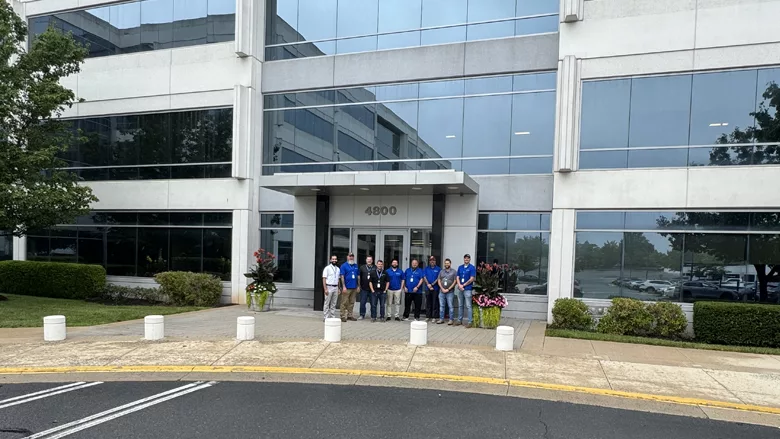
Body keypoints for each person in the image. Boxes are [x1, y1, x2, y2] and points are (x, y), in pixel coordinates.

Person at [456, 254, 477, 328]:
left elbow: (472, 279)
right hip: (460, 289)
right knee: (460, 305)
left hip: (467, 289)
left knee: (468, 306)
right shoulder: (460, 267)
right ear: (463, 259)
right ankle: (459, 320)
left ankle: (470, 321)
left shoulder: (472, 268)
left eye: (468, 259)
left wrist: (463, 285)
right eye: (465, 259)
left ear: (470, 259)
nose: (466, 260)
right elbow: (457, 277)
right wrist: (459, 285)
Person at [339, 252, 360, 322]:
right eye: (350, 256)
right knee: (344, 302)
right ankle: (342, 315)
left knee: (352, 302)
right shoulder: (344, 266)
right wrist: (343, 286)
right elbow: (342, 276)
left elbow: (358, 277)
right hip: (347, 287)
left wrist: (358, 286)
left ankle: (350, 315)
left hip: (354, 287)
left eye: (352, 256)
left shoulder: (356, 266)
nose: (351, 257)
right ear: (347, 257)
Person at [437, 258, 457, 324]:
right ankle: (441, 319)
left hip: (450, 292)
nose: (446, 264)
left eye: (448, 263)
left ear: (450, 264)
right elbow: (439, 280)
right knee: (441, 306)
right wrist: (442, 288)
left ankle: (451, 319)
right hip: (441, 291)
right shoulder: (441, 271)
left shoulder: (454, 271)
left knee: (450, 306)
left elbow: (455, 281)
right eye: (445, 263)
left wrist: (448, 289)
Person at [321, 255, 340, 320]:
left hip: (336, 287)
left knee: (334, 303)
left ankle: (332, 316)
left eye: (335, 259)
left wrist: (339, 288)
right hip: (329, 286)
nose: (334, 260)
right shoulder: (327, 268)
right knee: (327, 303)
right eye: (333, 259)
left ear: (337, 260)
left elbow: (338, 279)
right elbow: (324, 279)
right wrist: (325, 289)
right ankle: (325, 317)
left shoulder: (338, 269)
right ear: (330, 260)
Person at [358, 255, 377, 320]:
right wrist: (359, 286)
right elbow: (359, 277)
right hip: (364, 288)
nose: (369, 261)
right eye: (368, 259)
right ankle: (362, 315)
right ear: (366, 260)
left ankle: (373, 316)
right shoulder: (362, 267)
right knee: (362, 303)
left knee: (373, 303)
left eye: (370, 259)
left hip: (373, 289)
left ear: (372, 260)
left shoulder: (375, 267)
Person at [423, 256, 441, 322]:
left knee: (435, 303)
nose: (432, 261)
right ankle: (428, 316)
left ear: (435, 261)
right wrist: (428, 284)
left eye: (433, 260)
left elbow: (438, 278)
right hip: (428, 288)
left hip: (435, 288)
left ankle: (434, 317)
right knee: (428, 302)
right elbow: (424, 277)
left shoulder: (438, 269)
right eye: (431, 260)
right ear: (429, 261)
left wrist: (432, 284)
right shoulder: (426, 268)